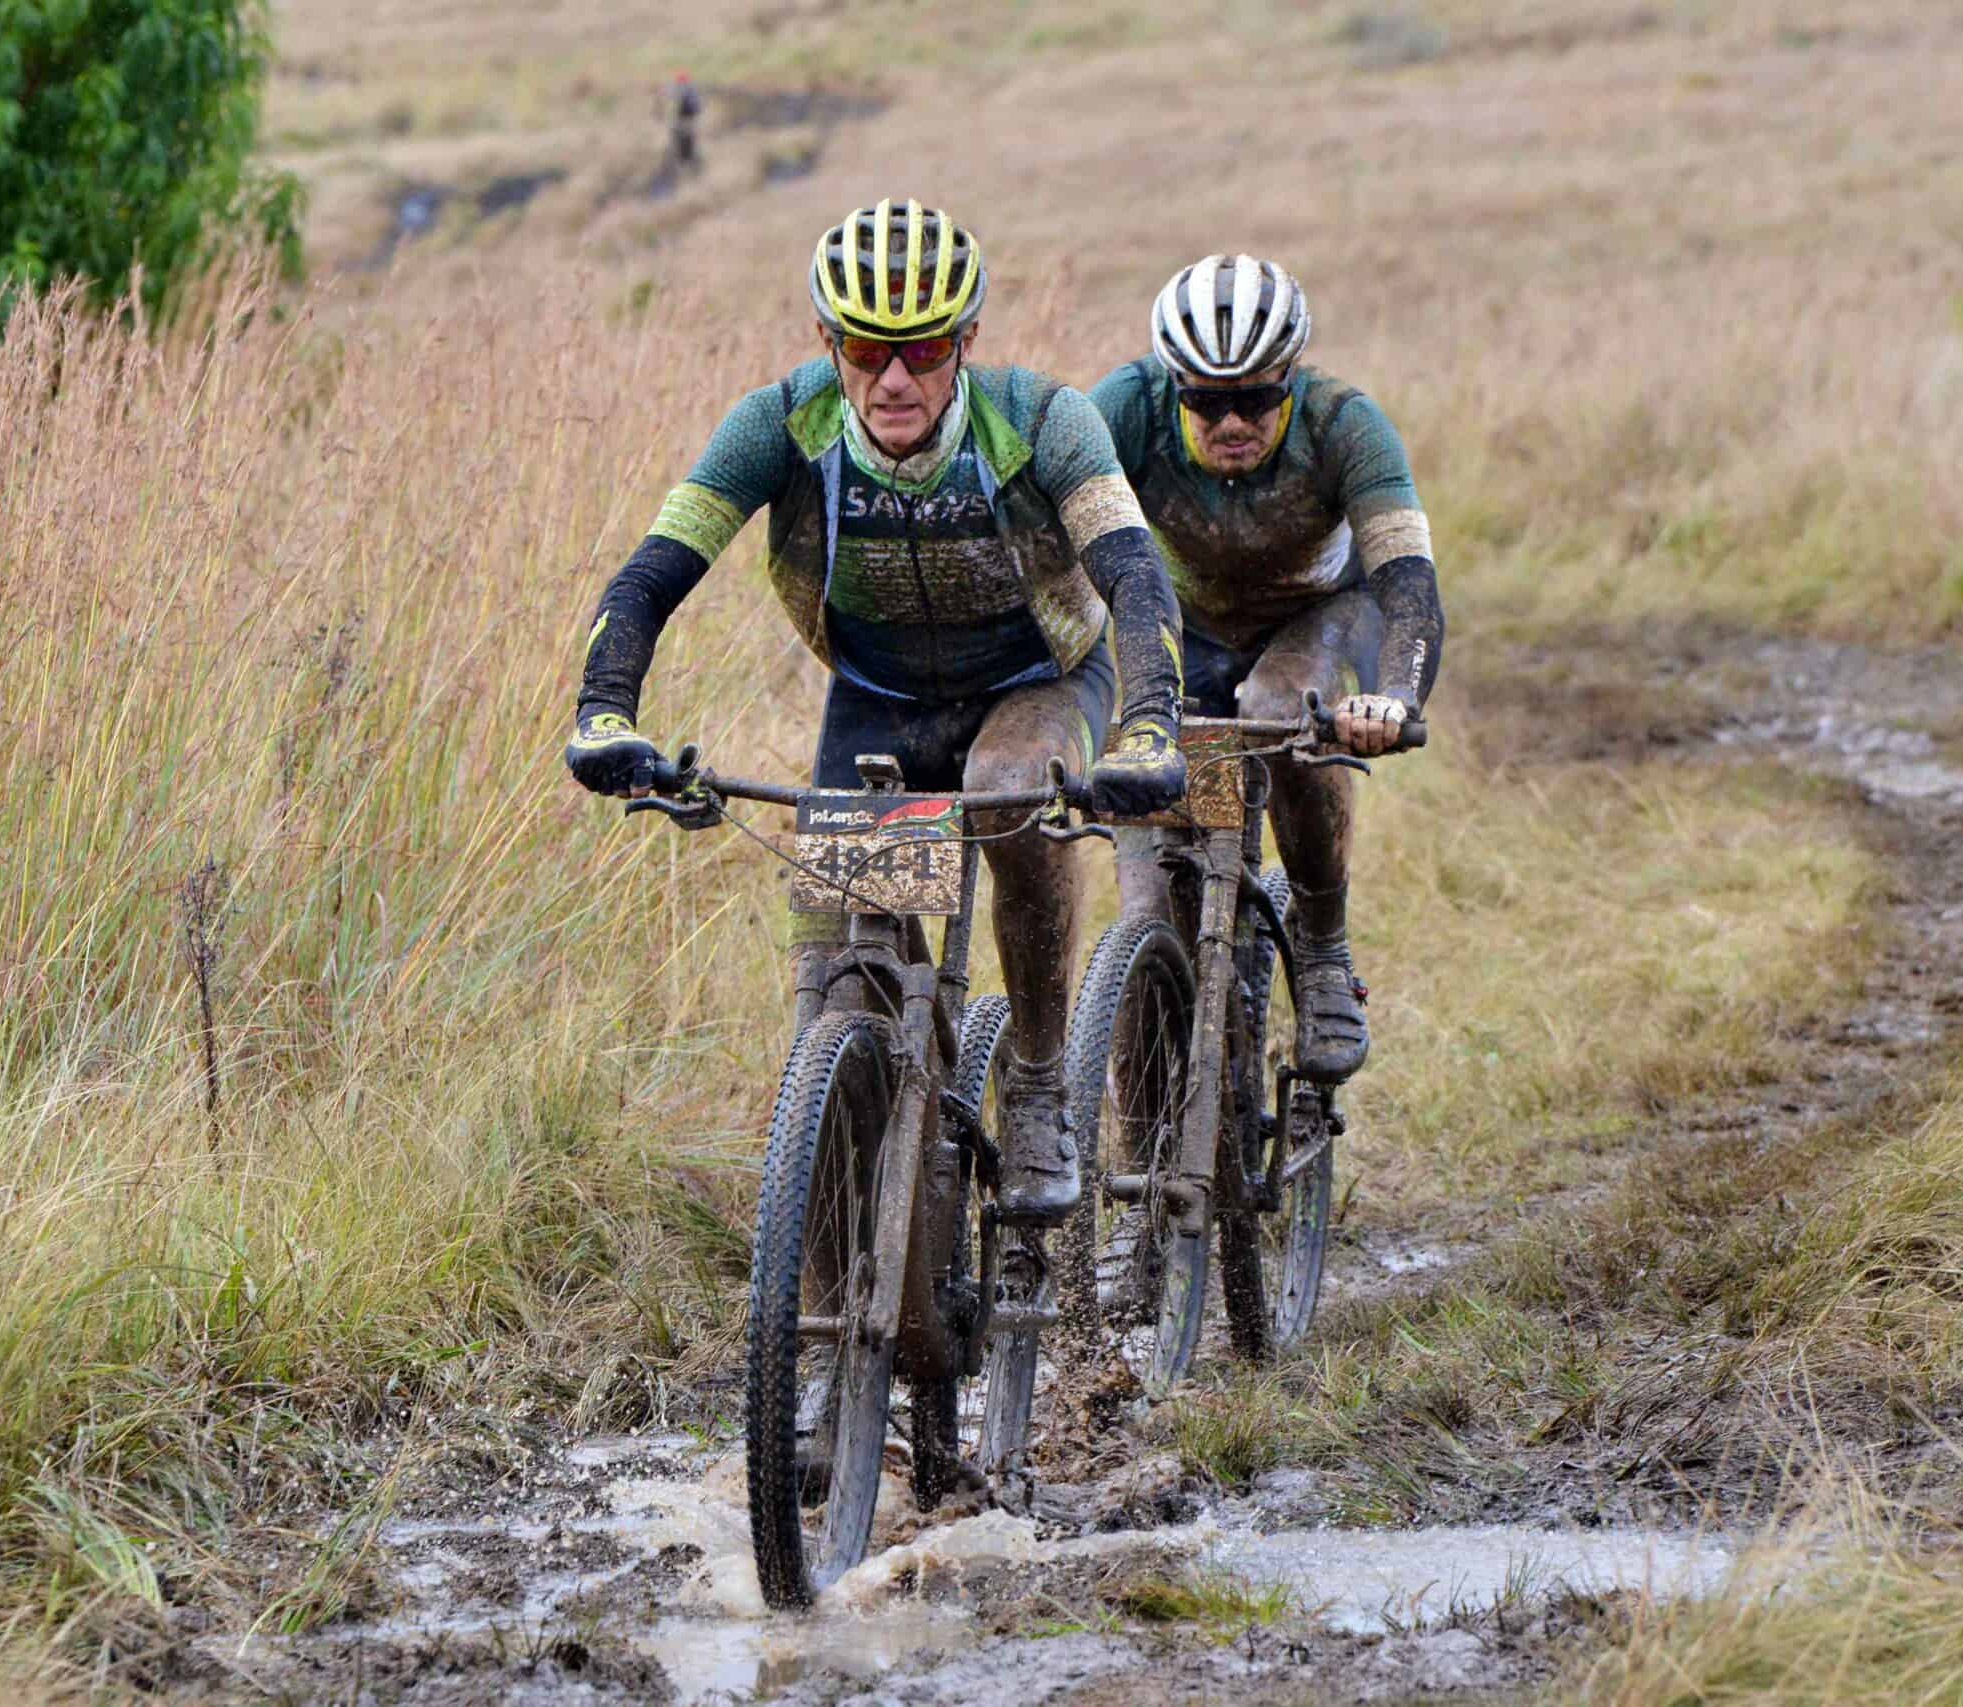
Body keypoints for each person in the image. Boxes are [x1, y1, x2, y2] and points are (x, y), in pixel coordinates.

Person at [565, 199, 1188, 1225]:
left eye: (925, 347)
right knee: (836, 983)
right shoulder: (776, 424)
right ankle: (842, 1236)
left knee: (1007, 793)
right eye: (865, 347)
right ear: (827, 340)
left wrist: (1150, 726)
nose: (893, 378)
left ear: (966, 341)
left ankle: (1035, 1086)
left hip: (1036, 682)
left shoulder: (1042, 421)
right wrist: (603, 714)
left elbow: (1136, 581)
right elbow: (647, 580)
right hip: (879, 702)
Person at [1090, 254, 1444, 1083]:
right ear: (1174, 385)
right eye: (1207, 403)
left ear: (1291, 376)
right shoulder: (1123, 412)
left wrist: (1395, 697)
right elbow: (1049, 555)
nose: (1232, 420)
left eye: (1256, 397)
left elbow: (1409, 588)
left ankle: (1322, 950)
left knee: (1281, 701)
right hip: (1183, 628)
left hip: (1320, 615)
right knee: (1153, 885)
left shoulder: (1344, 424)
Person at [668, 71, 701, 171]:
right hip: (689, 118)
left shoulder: (686, 88)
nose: (678, 83)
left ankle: (685, 160)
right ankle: (688, 159)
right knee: (686, 137)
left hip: (686, 117)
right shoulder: (692, 88)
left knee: (682, 137)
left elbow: (673, 94)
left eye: (679, 81)